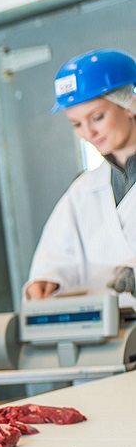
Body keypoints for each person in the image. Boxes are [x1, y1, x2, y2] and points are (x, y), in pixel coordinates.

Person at [25, 48, 136, 305]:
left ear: (129, 104)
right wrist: (46, 280)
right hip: (110, 338)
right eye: (76, 124)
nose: (88, 132)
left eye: (97, 117)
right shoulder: (84, 190)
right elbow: (55, 258)